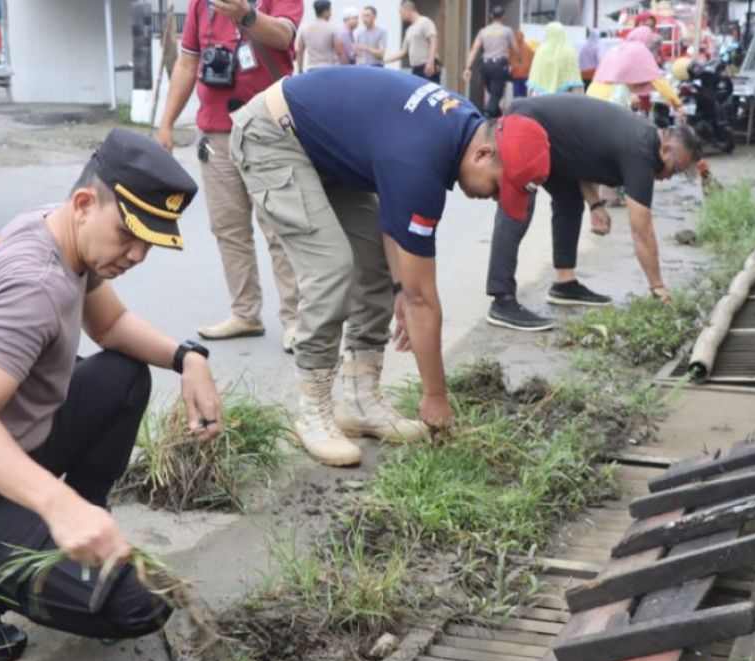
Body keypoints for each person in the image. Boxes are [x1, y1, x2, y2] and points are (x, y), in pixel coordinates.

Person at [0, 130, 221, 661]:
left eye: (151, 241)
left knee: (124, 375)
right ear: (86, 204)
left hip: (0, 448)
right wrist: (58, 505)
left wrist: (188, 357)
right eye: (128, 234)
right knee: (138, 608)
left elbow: (111, 326)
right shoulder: (33, 287)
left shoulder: (57, 228)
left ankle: (77, 528)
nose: (137, 255)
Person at [230, 69, 551, 465]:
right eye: (499, 187)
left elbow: (397, 235)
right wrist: (435, 397)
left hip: (326, 147)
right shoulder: (422, 159)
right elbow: (423, 300)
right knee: (332, 269)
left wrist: (399, 288)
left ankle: (362, 400)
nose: (495, 199)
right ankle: (312, 411)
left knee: (377, 267)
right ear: (483, 154)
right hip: (273, 136)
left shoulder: (461, 130)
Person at [484, 95, 703, 332]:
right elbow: (642, 231)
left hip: (554, 139)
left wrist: (595, 204)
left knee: (569, 199)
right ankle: (502, 299)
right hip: (526, 123)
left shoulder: (641, 139)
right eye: (677, 169)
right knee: (519, 203)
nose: (671, 176)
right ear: (666, 149)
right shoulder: (641, 150)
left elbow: (581, 156)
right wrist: (657, 287)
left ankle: (564, 284)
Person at [157, 0, 300, 351]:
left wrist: (245, 15)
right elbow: (188, 62)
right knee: (229, 229)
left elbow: (283, 37)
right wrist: (166, 122)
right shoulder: (200, 4)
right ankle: (245, 313)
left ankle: (297, 320)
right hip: (216, 135)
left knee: (281, 229)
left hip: (269, 130)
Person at [463, 7, 516, 120]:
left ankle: (495, 119)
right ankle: (487, 115)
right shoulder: (507, 31)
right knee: (496, 95)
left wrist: (468, 68)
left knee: (493, 94)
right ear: (503, 17)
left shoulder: (483, 31)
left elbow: (474, 49)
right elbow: (515, 48)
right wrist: (519, 60)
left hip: (485, 66)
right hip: (499, 66)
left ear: (491, 16)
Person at [387, 0, 440, 82]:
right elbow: (404, 52)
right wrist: (385, 60)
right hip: (416, 69)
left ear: (408, 10)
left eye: (401, 12)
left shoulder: (425, 22)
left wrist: (430, 62)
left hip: (427, 66)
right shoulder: (409, 30)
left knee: (432, 93)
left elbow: (433, 41)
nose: (400, 16)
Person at [527, 22, 583, 95]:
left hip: (542, 98)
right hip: (566, 98)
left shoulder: (541, 52)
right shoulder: (570, 51)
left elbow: (535, 77)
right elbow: (575, 78)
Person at [298, 0, 343, 71]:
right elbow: (339, 52)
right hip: (328, 68)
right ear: (326, 12)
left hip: (311, 68)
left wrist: (300, 70)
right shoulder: (332, 29)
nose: (331, 14)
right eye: (330, 11)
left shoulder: (305, 28)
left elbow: (300, 52)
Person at [510, 29, 534, 98]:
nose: (519, 37)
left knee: (517, 94)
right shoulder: (528, 48)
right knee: (522, 94)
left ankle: (517, 107)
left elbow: (508, 59)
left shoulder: (512, 48)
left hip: (518, 75)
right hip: (522, 75)